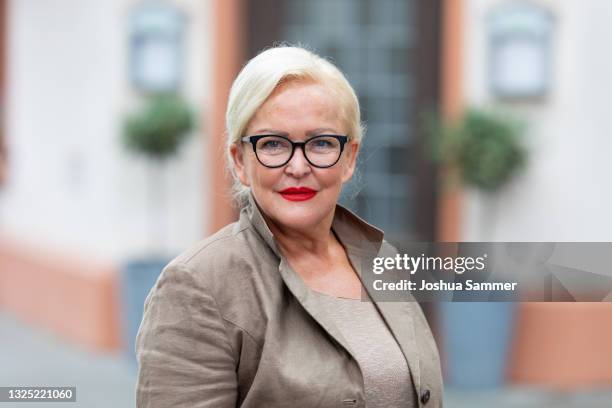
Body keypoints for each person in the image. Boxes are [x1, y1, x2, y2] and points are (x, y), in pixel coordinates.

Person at [135, 45, 443, 408]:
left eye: (322, 143)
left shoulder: (381, 259)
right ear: (239, 161)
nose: (298, 167)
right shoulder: (198, 285)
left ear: (349, 158)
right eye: (274, 144)